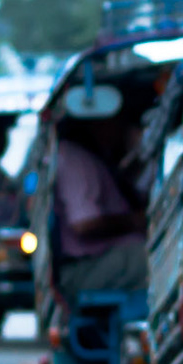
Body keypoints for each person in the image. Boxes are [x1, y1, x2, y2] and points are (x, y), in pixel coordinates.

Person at [55, 111, 150, 299]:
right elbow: (83, 224)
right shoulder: (74, 158)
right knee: (158, 257)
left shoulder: (97, 156)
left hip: (105, 258)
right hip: (87, 267)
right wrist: (134, 221)